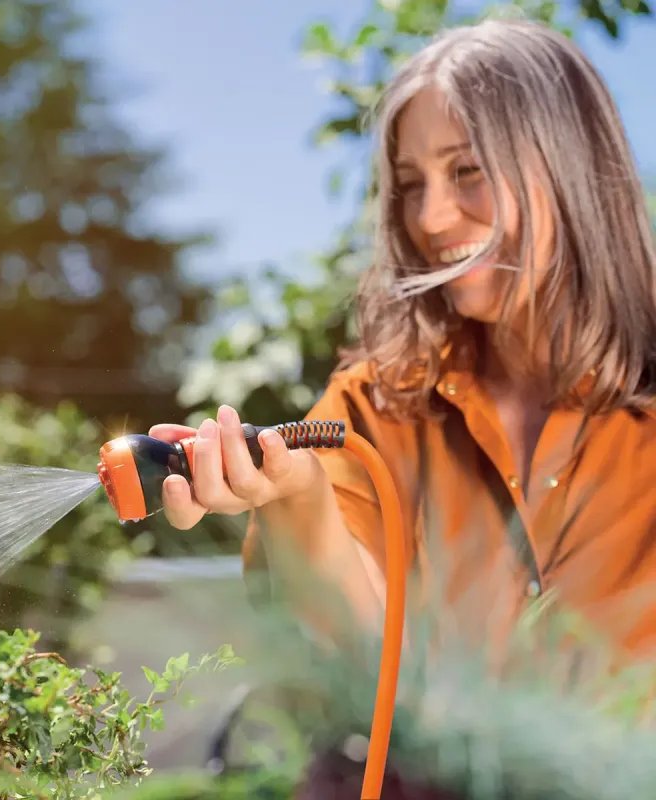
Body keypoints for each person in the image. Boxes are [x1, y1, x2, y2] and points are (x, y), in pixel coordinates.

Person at [150, 17, 656, 793]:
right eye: (412, 184)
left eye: (468, 171)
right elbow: (364, 664)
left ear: (570, 168)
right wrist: (300, 504)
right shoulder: (374, 406)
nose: (431, 220)